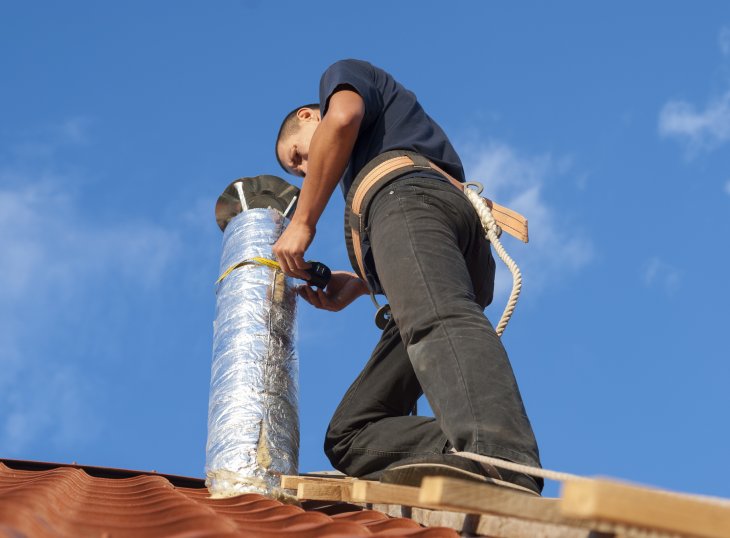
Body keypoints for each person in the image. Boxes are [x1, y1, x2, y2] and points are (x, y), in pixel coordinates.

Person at [273, 59, 543, 494]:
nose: (306, 171)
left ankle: (500, 458)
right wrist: (362, 284)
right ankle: (463, 452)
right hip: (430, 234)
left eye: (299, 156)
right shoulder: (364, 171)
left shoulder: (340, 78)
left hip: (410, 198)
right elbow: (421, 255)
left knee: (438, 323)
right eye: (299, 170)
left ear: (308, 116)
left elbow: (341, 120)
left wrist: (303, 221)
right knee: (350, 435)